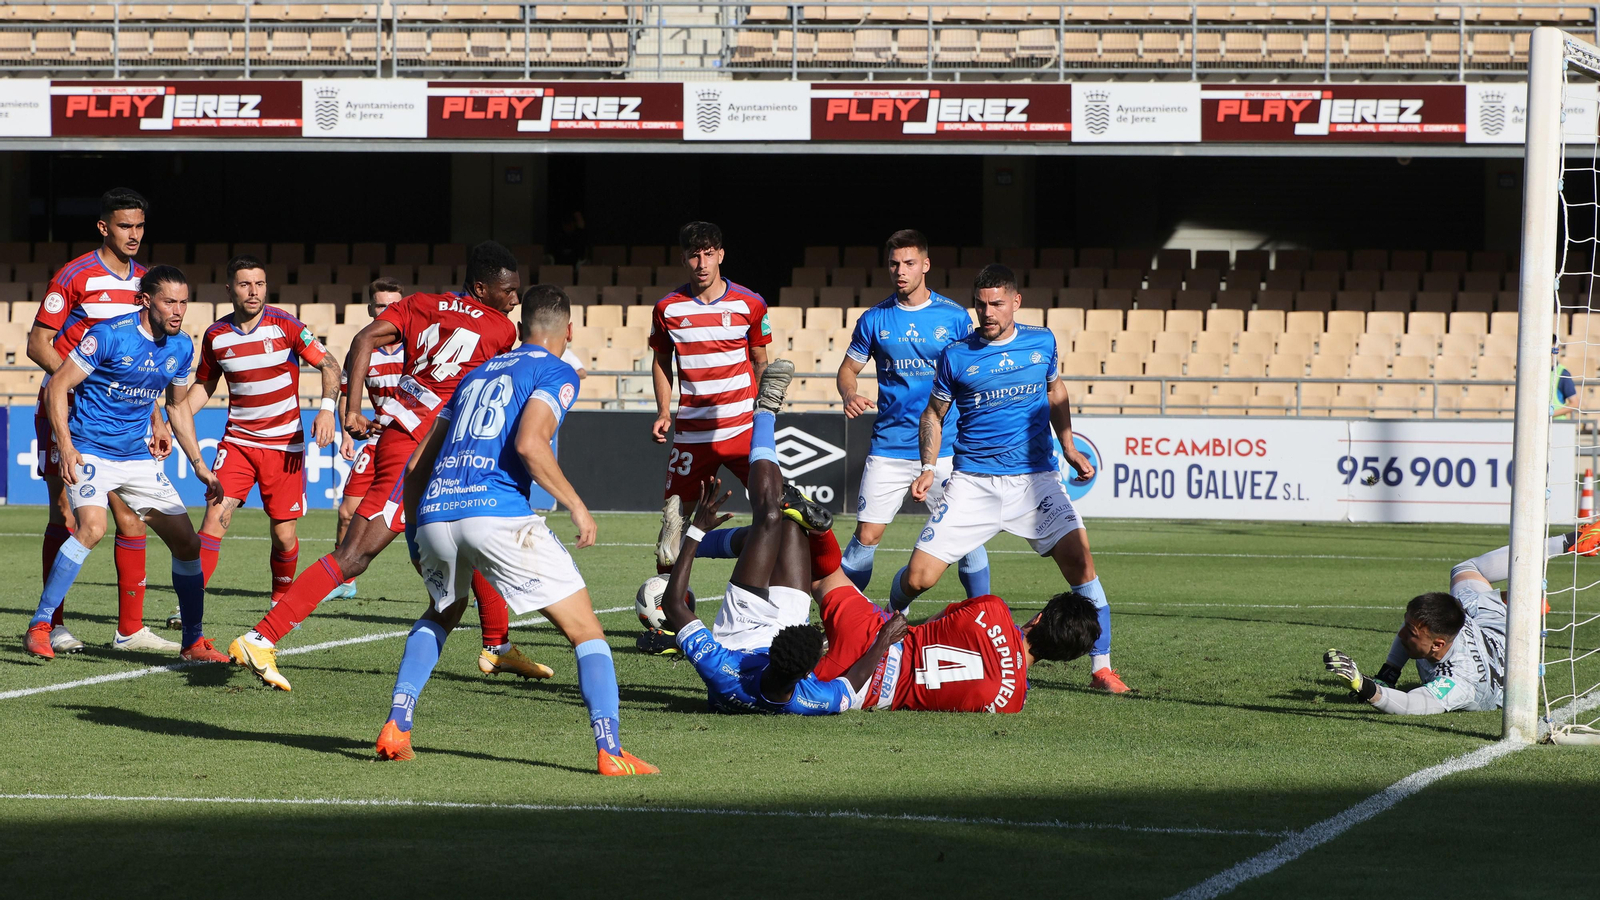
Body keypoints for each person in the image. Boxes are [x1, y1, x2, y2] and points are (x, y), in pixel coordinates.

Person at [230, 241, 544, 691]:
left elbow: (363, 339)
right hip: (419, 449)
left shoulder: (420, 303)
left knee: (472, 539)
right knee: (355, 554)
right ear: (481, 287)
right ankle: (261, 638)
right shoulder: (500, 330)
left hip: (406, 432)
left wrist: (351, 408)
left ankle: (497, 645)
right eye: (508, 290)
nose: (515, 298)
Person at [375, 285, 656, 775]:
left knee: (444, 610)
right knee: (588, 631)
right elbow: (530, 443)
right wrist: (577, 505)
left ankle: (398, 723)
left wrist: (415, 529)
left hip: (438, 511)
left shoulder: (474, 374)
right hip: (495, 511)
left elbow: (418, 462)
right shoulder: (557, 370)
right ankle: (611, 750)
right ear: (567, 331)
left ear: (521, 328)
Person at [888, 264, 1130, 694]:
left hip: (1035, 481)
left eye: (997, 303)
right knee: (919, 578)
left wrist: (1069, 447)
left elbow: (1056, 392)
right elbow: (933, 414)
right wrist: (928, 466)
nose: (988, 313)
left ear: (1015, 302)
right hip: (973, 482)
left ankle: (1102, 668)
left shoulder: (1042, 342)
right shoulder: (956, 355)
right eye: (981, 305)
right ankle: (885, 620)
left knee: (1082, 564)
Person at [680, 477, 1102, 714]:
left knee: (824, 577)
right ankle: (775, 543)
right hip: (868, 685)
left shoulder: (991, 611)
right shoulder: (1011, 702)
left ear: (1040, 617)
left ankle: (813, 532)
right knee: (786, 683)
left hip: (883, 635)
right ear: (1061, 658)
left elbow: (937, 623)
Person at [658, 358, 892, 716]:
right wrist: (880, 643)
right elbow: (851, 684)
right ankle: (793, 511)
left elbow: (675, 606)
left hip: (742, 630)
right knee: (790, 524)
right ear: (805, 674)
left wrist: (694, 532)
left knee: (770, 515)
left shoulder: (724, 672)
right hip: (786, 620)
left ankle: (765, 409)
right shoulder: (808, 696)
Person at [22, 266, 229, 664]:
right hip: (91, 450)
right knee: (93, 527)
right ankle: (41, 626)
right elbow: (59, 386)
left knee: (187, 542)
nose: (178, 311)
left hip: (136, 456)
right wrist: (65, 447)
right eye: (170, 301)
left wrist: (200, 466)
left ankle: (194, 642)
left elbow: (178, 407)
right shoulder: (108, 335)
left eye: (184, 302)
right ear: (146, 300)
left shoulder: (182, 346)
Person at [170, 255, 340, 617]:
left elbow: (330, 365)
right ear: (230, 288)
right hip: (239, 444)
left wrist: (327, 408)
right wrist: (171, 418)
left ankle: (280, 601)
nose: (254, 291)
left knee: (283, 536)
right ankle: (191, 606)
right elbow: (203, 386)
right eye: (246, 284)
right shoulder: (216, 335)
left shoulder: (286, 325)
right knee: (214, 520)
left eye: (260, 284)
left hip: (284, 447)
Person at [26, 187, 158, 654]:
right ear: (104, 227)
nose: (134, 235)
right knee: (65, 512)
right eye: (125, 226)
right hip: (69, 410)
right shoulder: (75, 274)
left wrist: (157, 415)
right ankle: (52, 624)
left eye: (140, 226)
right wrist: (77, 383)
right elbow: (38, 344)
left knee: (131, 517)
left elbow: (144, 357)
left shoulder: (147, 281)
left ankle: (131, 629)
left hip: (123, 418)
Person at [835, 229, 988, 594]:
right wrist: (849, 394)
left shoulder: (954, 317)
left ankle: (984, 616)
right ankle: (842, 621)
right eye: (893, 264)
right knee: (866, 535)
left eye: (908, 263)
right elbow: (847, 370)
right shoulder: (874, 319)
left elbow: (972, 371)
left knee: (966, 539)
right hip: (890, 446)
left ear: (926, 265)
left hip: (946, 448)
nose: (900, 271)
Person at [1324, 525, 1600, 715]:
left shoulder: (1458, 683)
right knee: (1467, 570)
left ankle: (1525, 598)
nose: (1402, 635)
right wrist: (1387, 675)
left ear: (1438, 644)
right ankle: (1562, 548)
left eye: (1411, 631)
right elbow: (1415, 629)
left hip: (1505, 645)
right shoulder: (1451, 618)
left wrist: (1365, 685)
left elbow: (1409, 704)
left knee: (1467, 571)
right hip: (1494, 628)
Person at [647, 221, 772, 574]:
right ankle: (668, 616)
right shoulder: (667, 309)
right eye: (693, 256)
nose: (701, 264)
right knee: (670, 540)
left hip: (742, 429)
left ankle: (774, 598)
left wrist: (763, 417)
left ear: (721, 255)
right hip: (692, 434)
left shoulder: (750, 303)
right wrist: (663, 411)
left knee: (774, 510)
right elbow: (660, 360)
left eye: (708, 254)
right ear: (684, 258)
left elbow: (760, 362)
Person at [333, 278, 406, 599]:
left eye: (393, 304)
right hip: (377, 440)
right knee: (347, 511)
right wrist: (347, 433)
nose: (387, 310)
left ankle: (469, 587)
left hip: (415, 442)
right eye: (380, 305)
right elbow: (346, 395)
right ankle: (342, 581)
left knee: (441, 519)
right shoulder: (362, 349)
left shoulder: (419, 346)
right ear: (370, 309)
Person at [1553, 336, 1578, 420]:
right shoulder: (1534, 373)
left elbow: (1574, 403)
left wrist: (1551, 414)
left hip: (1557, 425)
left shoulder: (1562, 373)